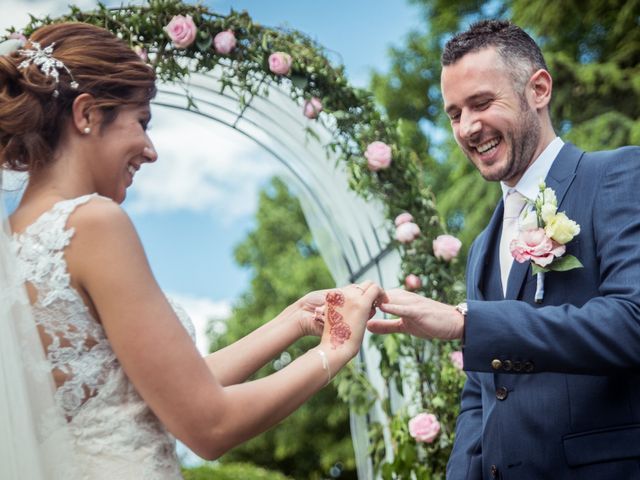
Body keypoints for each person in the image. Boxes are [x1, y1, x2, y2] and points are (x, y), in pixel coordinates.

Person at [0, 22, 383, 479]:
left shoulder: (15, 243)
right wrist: (336, 348)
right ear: (85, 114)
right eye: (140, 122)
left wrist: (295, 320)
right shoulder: (91, 223)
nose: (150, 149)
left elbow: (160, 392)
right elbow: (208, 424)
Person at [367, 19, 640, 479]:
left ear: (538, 89)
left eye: (481, 103)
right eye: (454, 114)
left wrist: (466, 322)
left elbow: (632, 321)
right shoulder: (481, 248)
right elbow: (481, 397)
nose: (468, 127)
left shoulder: (616, 175)